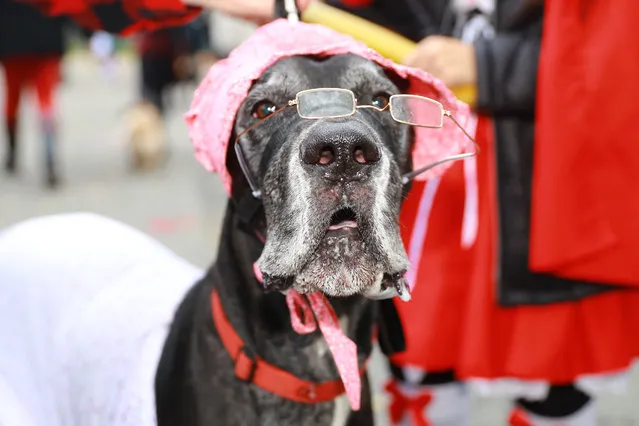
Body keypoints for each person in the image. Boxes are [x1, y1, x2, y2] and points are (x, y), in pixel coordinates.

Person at [327, 0, 639, 425]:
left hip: (547, 177)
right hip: (431, 168)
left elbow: (616, 54)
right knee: (420, 355)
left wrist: (489, 64)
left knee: (551, 371)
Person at [0, 0, 71, 188]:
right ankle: (50, 158)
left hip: (11, 43)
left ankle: (12, 155)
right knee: (46, 103)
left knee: (12, 99)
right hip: (46, 42)